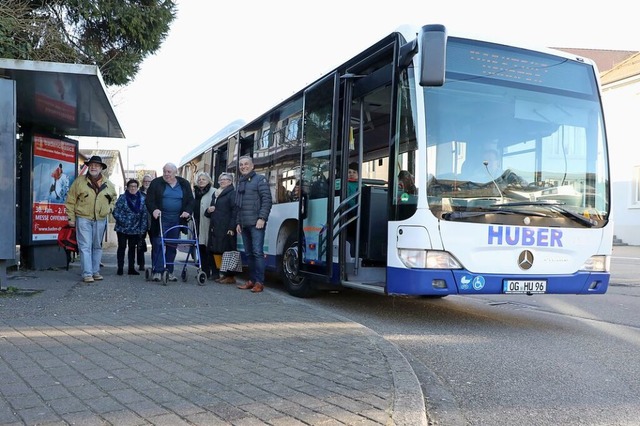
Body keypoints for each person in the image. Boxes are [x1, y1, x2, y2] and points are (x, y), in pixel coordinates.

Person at [65, 155, 117, 283]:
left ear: (101, 168)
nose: (94, 167)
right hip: (83, 218)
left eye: (97, 165)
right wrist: (71, 218)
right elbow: (70, 200)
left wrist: (108, 209)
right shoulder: (79, 182)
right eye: (92, 165)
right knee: (85, 246)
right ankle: (87, 273)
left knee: (97, 247)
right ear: (88, 167)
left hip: (100, 219)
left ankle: (95, 272)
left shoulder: (108, 184)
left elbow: (114, 200)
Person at [145, 163, 195, 283]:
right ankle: (157, 271)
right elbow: (149, 200)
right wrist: (154, 209)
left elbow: (190, 201)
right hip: (161, 219)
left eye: (169, 172)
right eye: (164, 172)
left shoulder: (183, 183)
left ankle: (169, 271)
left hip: (177, 219)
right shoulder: (156, 183)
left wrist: (187, 211)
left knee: (172, 246)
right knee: (158, 244)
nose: (166, 174)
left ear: (175, 172)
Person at [235, 156, 272, 293]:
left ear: (252, 166)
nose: (243, 166)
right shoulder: (240, 182)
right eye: (241, 165)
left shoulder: (260, 179)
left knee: (257, 253)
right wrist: (238, 222)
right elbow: (238, 205)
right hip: (244, 224)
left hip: (256, 223)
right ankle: (251, 280)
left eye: (246, 164)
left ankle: (259, 283)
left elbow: (267, 199)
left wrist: (262, 218)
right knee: (249, 254)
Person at [205, 172, 238, 283]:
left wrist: (231, 227)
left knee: (227, 251)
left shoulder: (232, 193)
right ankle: (222, 274)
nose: (222, 181)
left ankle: (230, 276)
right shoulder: (216, 194)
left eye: (225, 179)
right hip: (215, 226)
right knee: (217, 250)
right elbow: (210, 210)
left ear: (230, 181)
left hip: (226, 227)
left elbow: (235, 211)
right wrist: (208, 210)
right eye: (220, 180)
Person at [112, 179, 149, 276]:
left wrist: (142, 229)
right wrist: (124, 221)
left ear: (137, 188)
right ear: (127, 188)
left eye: (135, 186)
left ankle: (131, 269)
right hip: (122, 229)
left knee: (132, 249)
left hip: (135, 229)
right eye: (131, 186)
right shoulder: (122, 198)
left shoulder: (142, 199)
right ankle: (120, 268)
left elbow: (144, 215)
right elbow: (116, 212)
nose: (133, 188)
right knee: (122, 247)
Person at [193, 171, 214, 279]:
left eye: (203, 179)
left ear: (209, 181)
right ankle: (204, 270)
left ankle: (213, 271)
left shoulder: (214, 192)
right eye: (199, 179)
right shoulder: (194, 193)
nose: (201, 181)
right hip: (197, 223)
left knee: (209, 247)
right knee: (200, 247)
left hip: (209, 223)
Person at [135, 174, 153, 271]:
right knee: (140, 244)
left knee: (155, 243)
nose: (147, 183)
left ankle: (155, 263)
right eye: (145, 181)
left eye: (149, 181)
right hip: (141, 222)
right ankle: (141, 264)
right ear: (142, 182)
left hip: (152, 221)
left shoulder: (154, 193)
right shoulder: (138, 193)